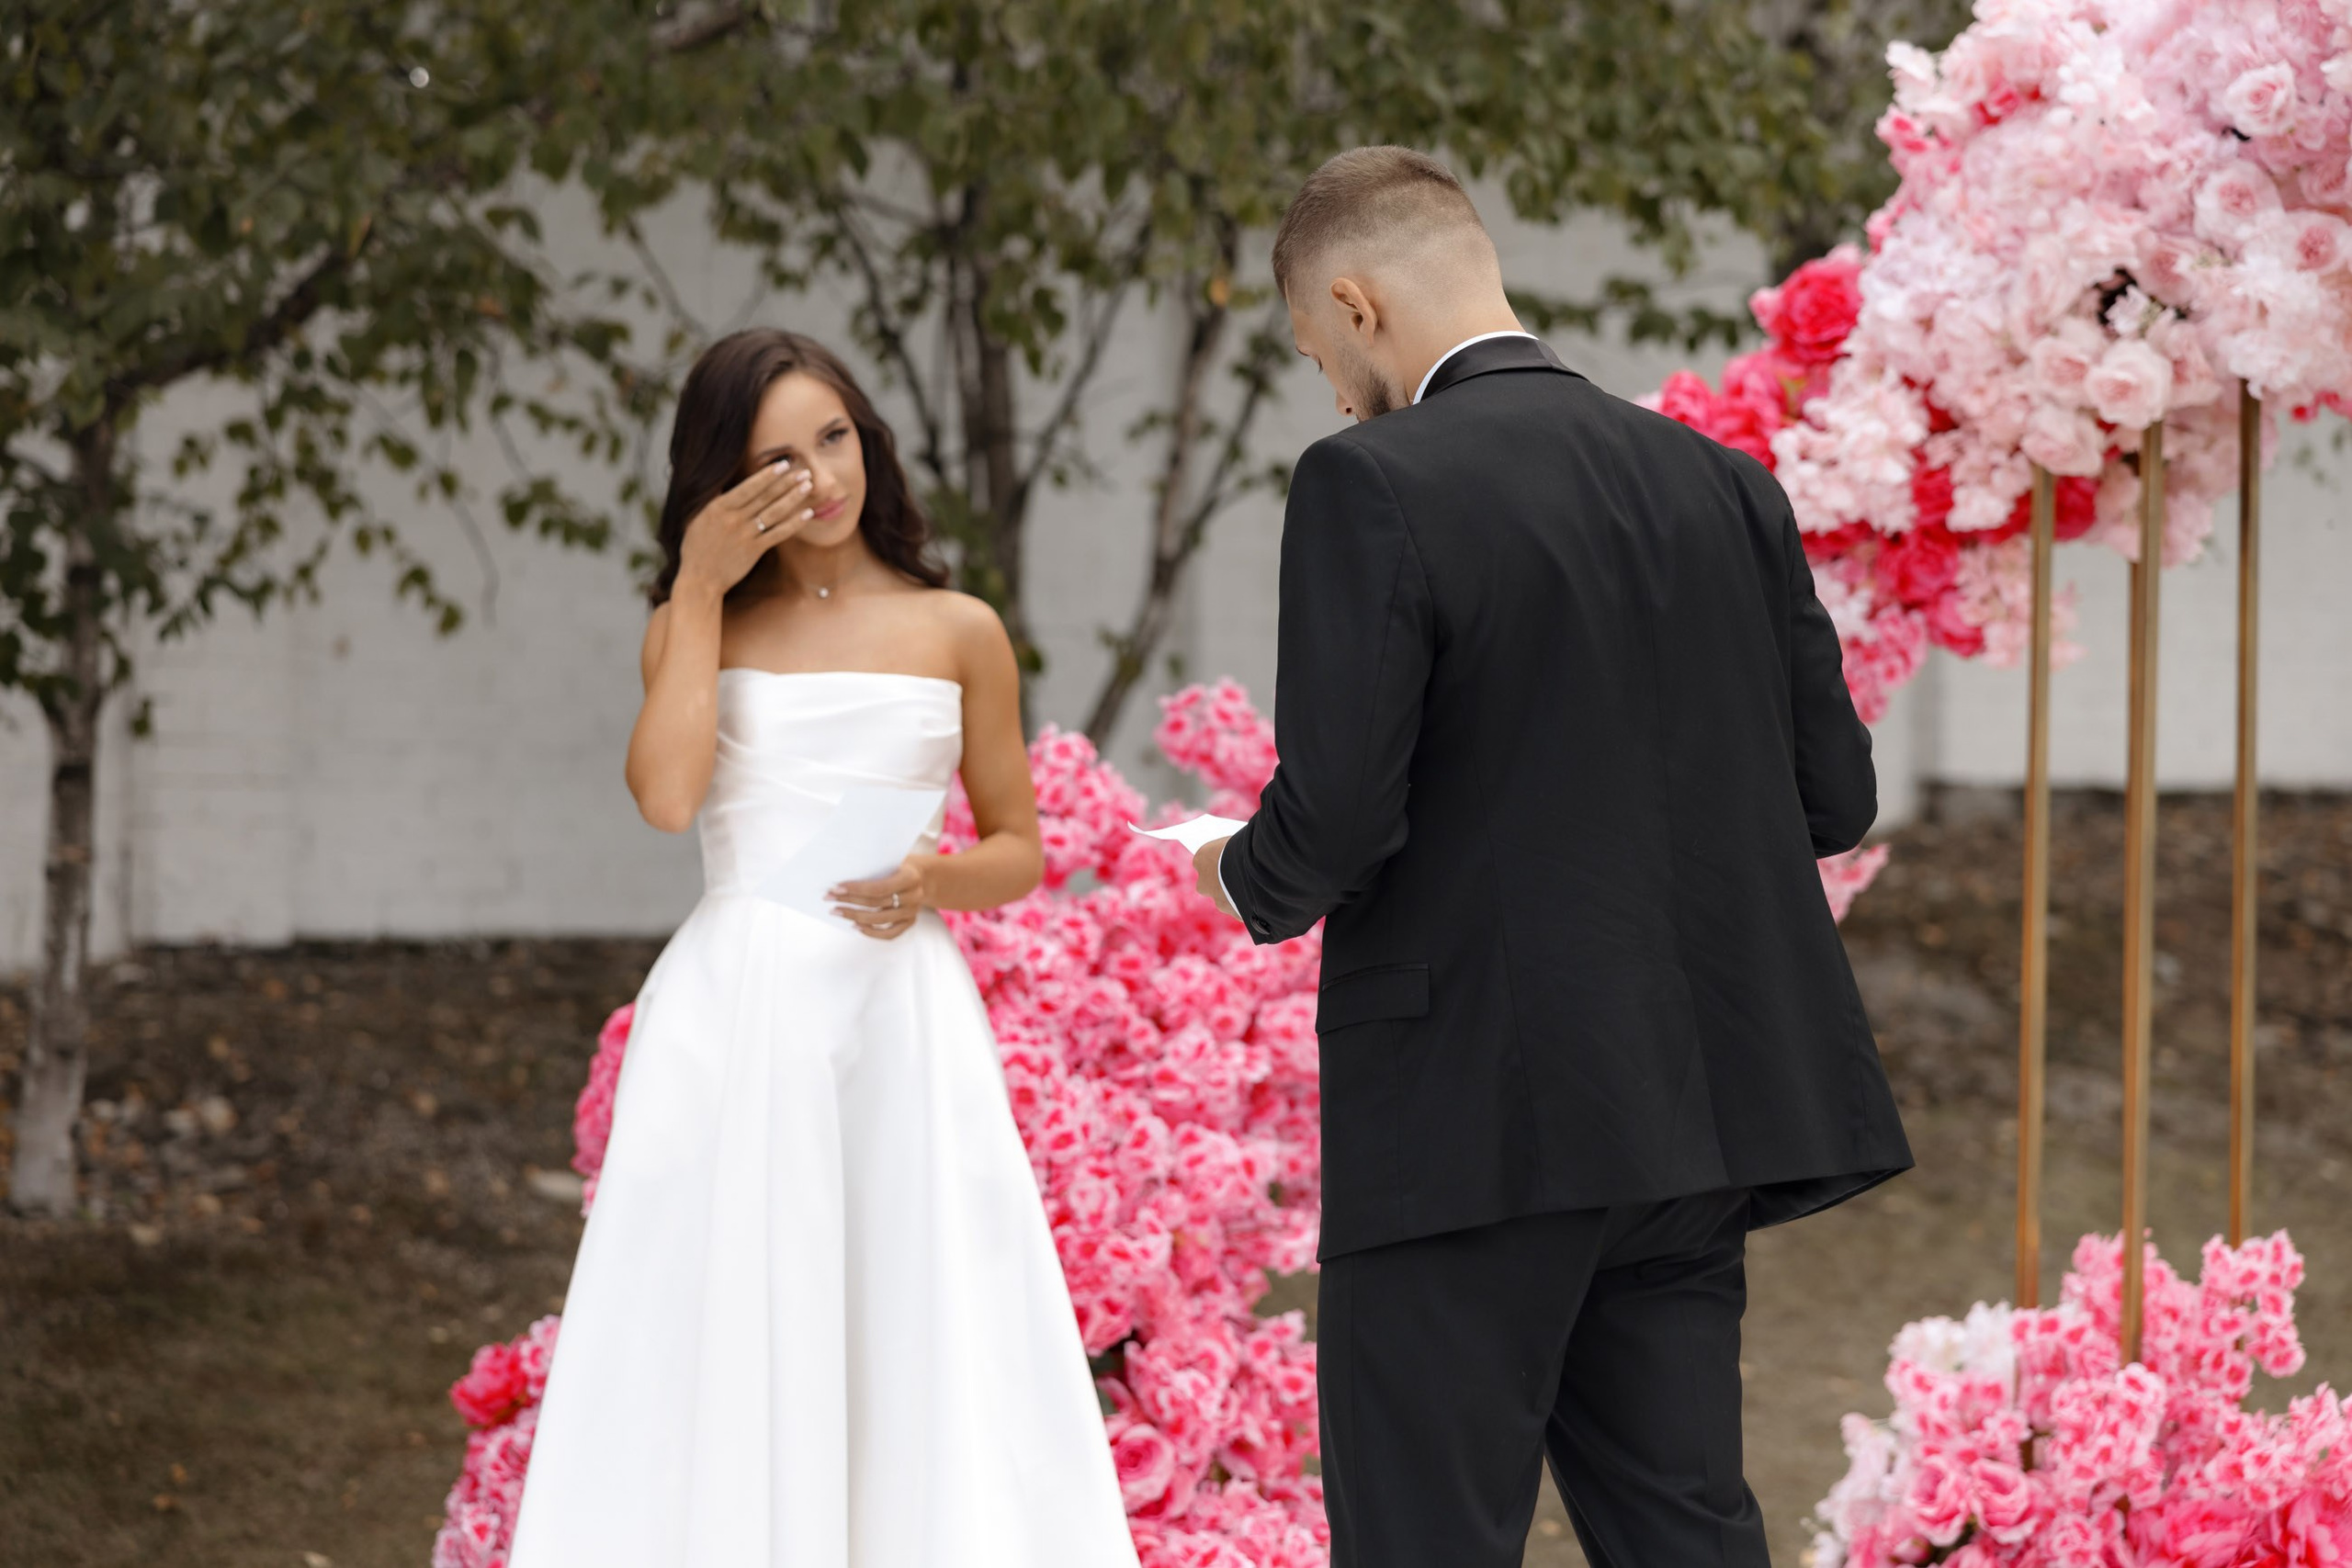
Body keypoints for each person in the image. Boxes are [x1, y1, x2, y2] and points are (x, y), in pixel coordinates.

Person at [1193, 147, 1915, 1568]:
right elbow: (1834, 800)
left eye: (1317, 351)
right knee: (1683, 1532)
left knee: (1426, 1538)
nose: (1333, 391)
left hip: (1469, 1116)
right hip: (1685, 1121)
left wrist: (1232, 872)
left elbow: (1337, 820)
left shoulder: (1368, 482)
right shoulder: (1723, 486)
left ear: (1357, 302)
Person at [505, 329, 1138, 1568]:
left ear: (868, 434)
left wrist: (935, 879)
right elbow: (668, 801)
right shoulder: (693, 628)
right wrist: (696, 589)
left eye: (834, 437)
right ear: (722, 486)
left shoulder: (960, 628)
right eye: (778, 460)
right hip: (735, 1013)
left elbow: (1020, 845)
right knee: (734, 1320)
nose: (821, 477)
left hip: (900, 1015)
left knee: (917, 1313)